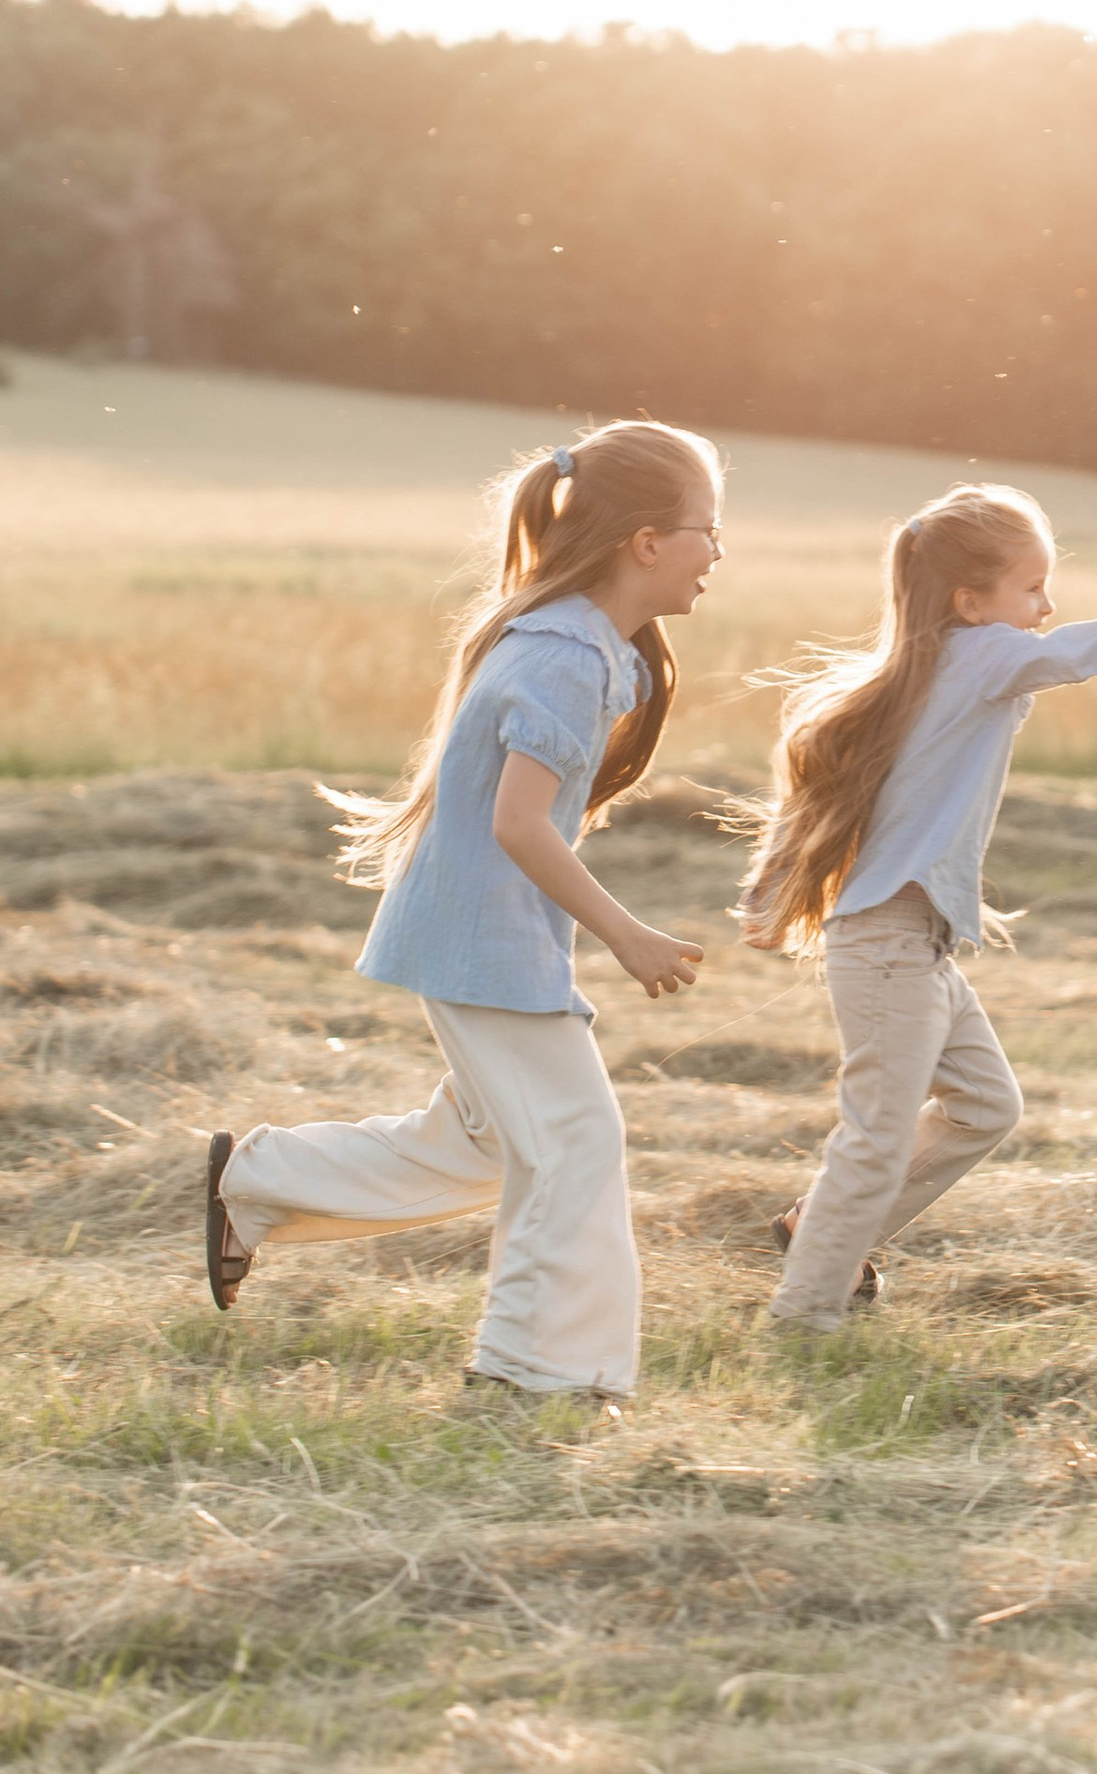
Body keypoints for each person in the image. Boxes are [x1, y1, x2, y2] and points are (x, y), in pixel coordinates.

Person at [202, 418, 724, 1406]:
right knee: (575, 1141)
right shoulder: (567, 654)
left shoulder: (579, 640)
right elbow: (519, 825)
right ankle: (537, 1369)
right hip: (488, 942)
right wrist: (627, 934)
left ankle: (260, 1182)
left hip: (475, 932)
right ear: (647, 542)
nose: (718, 554)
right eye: (709, 530)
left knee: (487, 1144)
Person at [738, 485, 1097, 1335]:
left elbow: (826, 798)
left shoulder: (929, 672)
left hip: (919, 946)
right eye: (1032, 588)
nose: (1045, 606)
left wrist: (770, 893)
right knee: (875, 1139)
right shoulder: (982, 656)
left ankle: (819, 1233)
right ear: (970, 603)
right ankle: (803, 1317)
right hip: (889, 947)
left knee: (986, 1106)